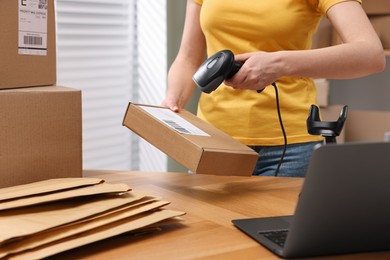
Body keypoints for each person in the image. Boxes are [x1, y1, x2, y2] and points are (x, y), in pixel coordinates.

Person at [162, 0, 385, 177]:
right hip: (213, 143)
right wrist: (173, 101)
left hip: (291, 149)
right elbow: (188, 58)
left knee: (280, 234)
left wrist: (279, 65)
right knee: (210, 233)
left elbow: (371, 55)